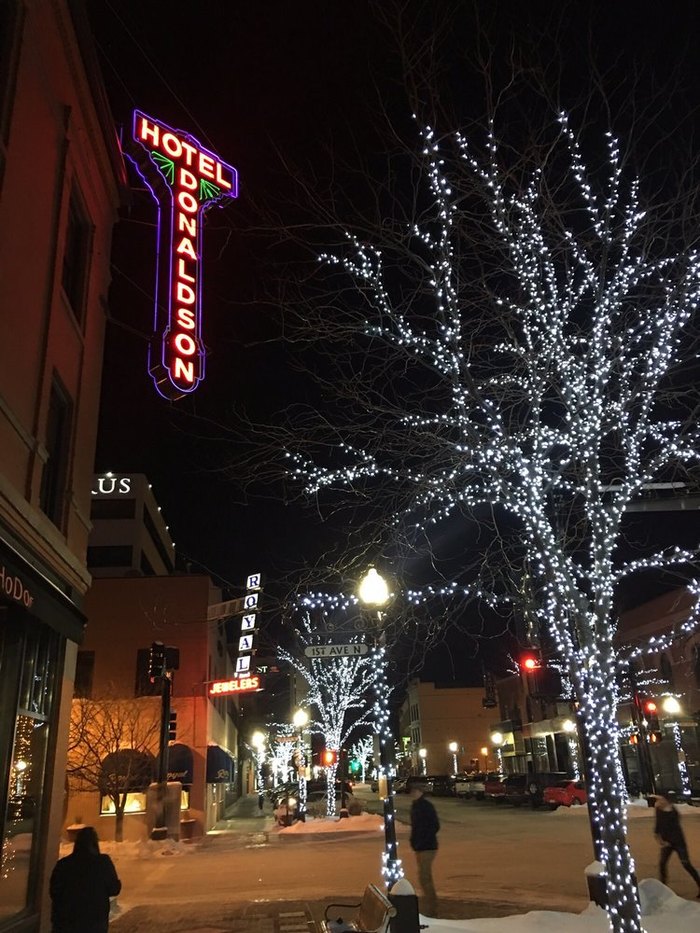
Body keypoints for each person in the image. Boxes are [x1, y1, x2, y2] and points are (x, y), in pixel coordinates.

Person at [50, 826, 121, 933]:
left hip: (65, 922)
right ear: (94, 844)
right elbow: (114, 889)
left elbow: (54, 891)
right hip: (94, 923)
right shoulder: (102, 863)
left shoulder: (64, 864)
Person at [654, 789, 700, 896]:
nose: (659, 802)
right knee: (662, 864)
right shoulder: (659, 810)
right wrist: (658, 837)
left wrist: (664, 838)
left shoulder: (672, 811)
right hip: (667, 842)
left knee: (686, 864)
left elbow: (669, 825)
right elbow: (658, 824)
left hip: (678, 842)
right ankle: (663, 889)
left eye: (662, 800)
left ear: (666, 800)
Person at [409, 783, 440, 917]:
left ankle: (432, 907)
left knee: (425, 876)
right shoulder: (416, 806)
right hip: (420, 846)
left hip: (427, 846)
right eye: (412, 791)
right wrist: (414, 841)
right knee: (423, 876)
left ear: (421, 792)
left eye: (416, 791)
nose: (413, 793)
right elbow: (415, 827)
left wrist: (423, 840)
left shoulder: (425, 806)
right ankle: (430, 903)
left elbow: (434, 825)